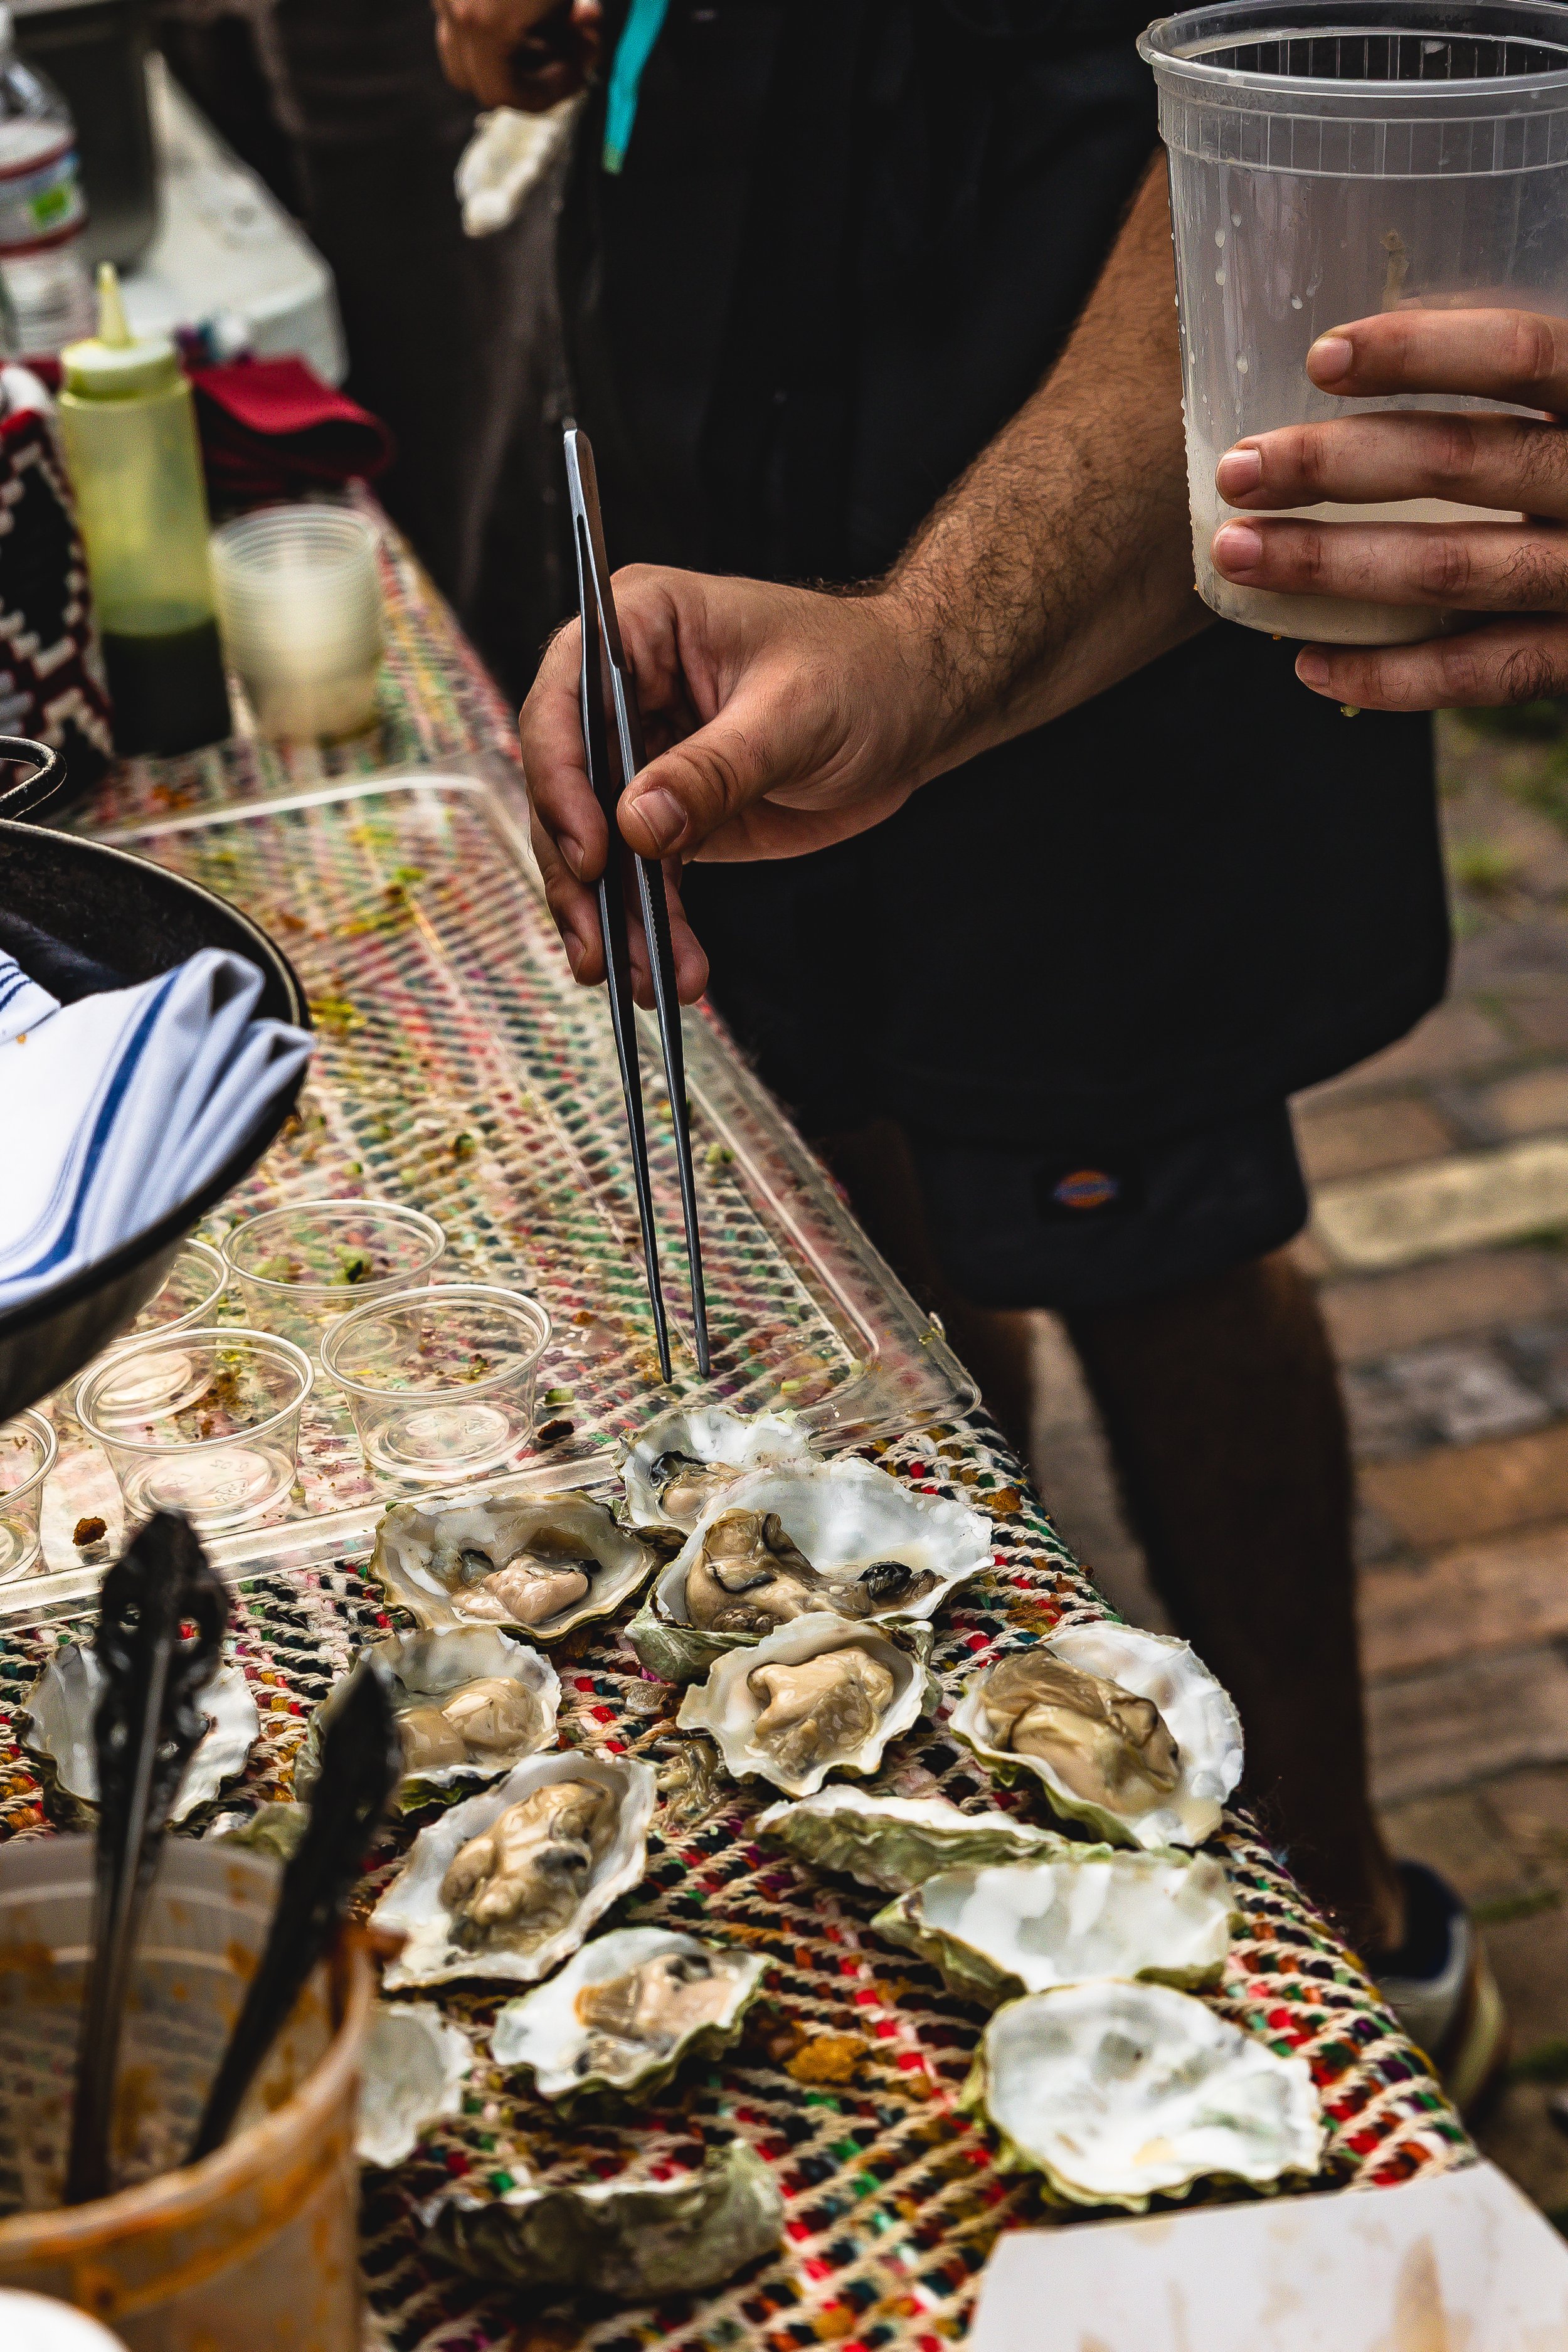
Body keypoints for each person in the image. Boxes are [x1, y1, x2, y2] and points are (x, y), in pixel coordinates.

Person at [437, 0, 1528, 2107]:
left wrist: (931, 647)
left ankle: (1361, 1935)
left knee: (1152, 1214)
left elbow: (1307, 139)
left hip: (1082, 441)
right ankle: (961, 1706)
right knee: (851, 1167)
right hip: (733, 341)